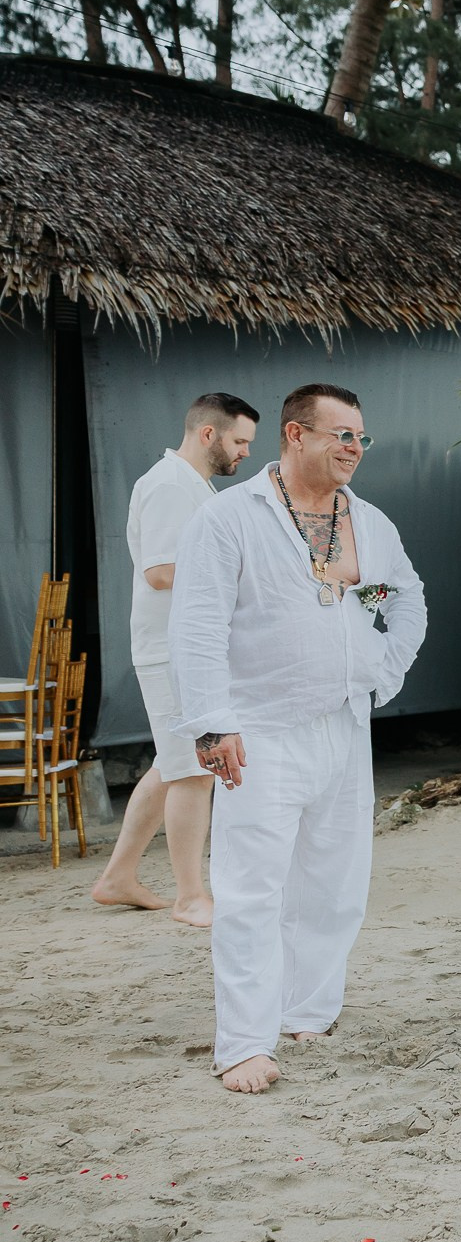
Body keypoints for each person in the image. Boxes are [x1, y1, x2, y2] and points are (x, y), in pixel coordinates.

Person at [169, 383, 427, 1095]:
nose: (355, 448)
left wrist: (384, 669)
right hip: (262, 729)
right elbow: (194, 627)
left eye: (361, 437)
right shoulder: (230, 519)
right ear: (295, 434)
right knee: (251, 889)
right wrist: (213, 722)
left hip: (344, 723)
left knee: (335, 881)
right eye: (342, 434)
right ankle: (244, 1042)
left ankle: (308, 1008)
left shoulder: (368, 522)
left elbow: (407, 596)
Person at [89, 392, 259, 925]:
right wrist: (246, 577)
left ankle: (118, 877)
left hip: (185, 647)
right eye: (240, 441)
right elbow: (161, 571)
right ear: (209, 435)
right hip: (170, 651)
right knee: (195, 769)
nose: (246, 453)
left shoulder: (192, 485)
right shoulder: (167, 485)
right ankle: (190, 896)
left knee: (172, 765)